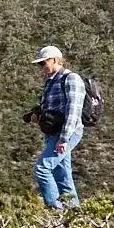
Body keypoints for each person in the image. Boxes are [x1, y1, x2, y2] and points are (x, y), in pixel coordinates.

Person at [25, 44, 86, 209]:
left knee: (42, 169)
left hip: (67, 133)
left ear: (55, 60)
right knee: (62, 175)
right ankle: (73, 213)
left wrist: (64, 138)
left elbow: (73, 111)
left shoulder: (71, 78)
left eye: (43, 63)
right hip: (54, 134)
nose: (41, 67)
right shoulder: (50, 82)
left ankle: (55, 211)